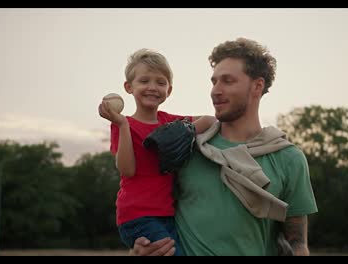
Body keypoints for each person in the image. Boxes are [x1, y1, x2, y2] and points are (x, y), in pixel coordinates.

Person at [130, 37, 318, 256]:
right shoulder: (188, 148)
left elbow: (298, 244)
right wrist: (140, 251)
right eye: (214, 82)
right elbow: (147, 210)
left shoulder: (289, 158)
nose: (215, 91)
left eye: (228, 81)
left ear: (257, 86)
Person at [98, 48, 216, 256]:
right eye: (144, 81)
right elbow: (127, 170)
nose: (152, 87)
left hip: (169, 214)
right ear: (129, 87)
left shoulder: (169, 122)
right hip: (137, 215)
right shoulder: (123, 124)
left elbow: (210, 120)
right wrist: (123, 125)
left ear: (169, 90)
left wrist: (188, 131)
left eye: (160, 82)